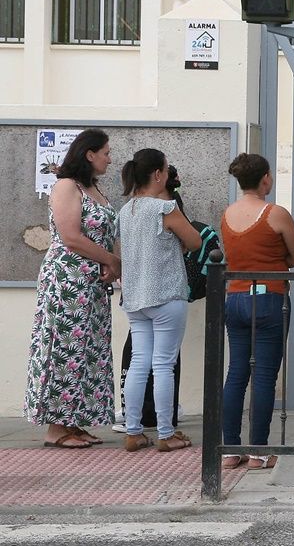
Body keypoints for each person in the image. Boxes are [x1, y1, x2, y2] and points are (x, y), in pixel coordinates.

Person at [25, 129, 119, 449]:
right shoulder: (67, 186)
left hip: (91, 284)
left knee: (87, 352)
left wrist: (111, 263)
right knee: (63, 349)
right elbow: (71, 237)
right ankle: (55, 427)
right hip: (67, 281)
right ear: (89, 154)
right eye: (105, 152)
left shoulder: (95, 189)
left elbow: (107, 233)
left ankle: (75, 421)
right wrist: (109, 259)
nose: (110, 157)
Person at [220, 153, 294, 470]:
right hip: (270, 298)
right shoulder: (276, 214)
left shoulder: (228, 214)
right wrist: (288, 257)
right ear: (266, 178)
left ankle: (229, 449)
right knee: (264, 376)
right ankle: (258, 451)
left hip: (236, 298)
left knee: (236, 373)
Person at [116, 149, 201, 453]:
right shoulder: (165, 208)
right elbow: (195, 241)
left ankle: (134, 431)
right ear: (157, 174)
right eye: (165, 170)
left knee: (140, 362)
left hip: (136, 298)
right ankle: (166, 433)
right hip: (165, 295)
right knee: (163, 364)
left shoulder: (127, 210)